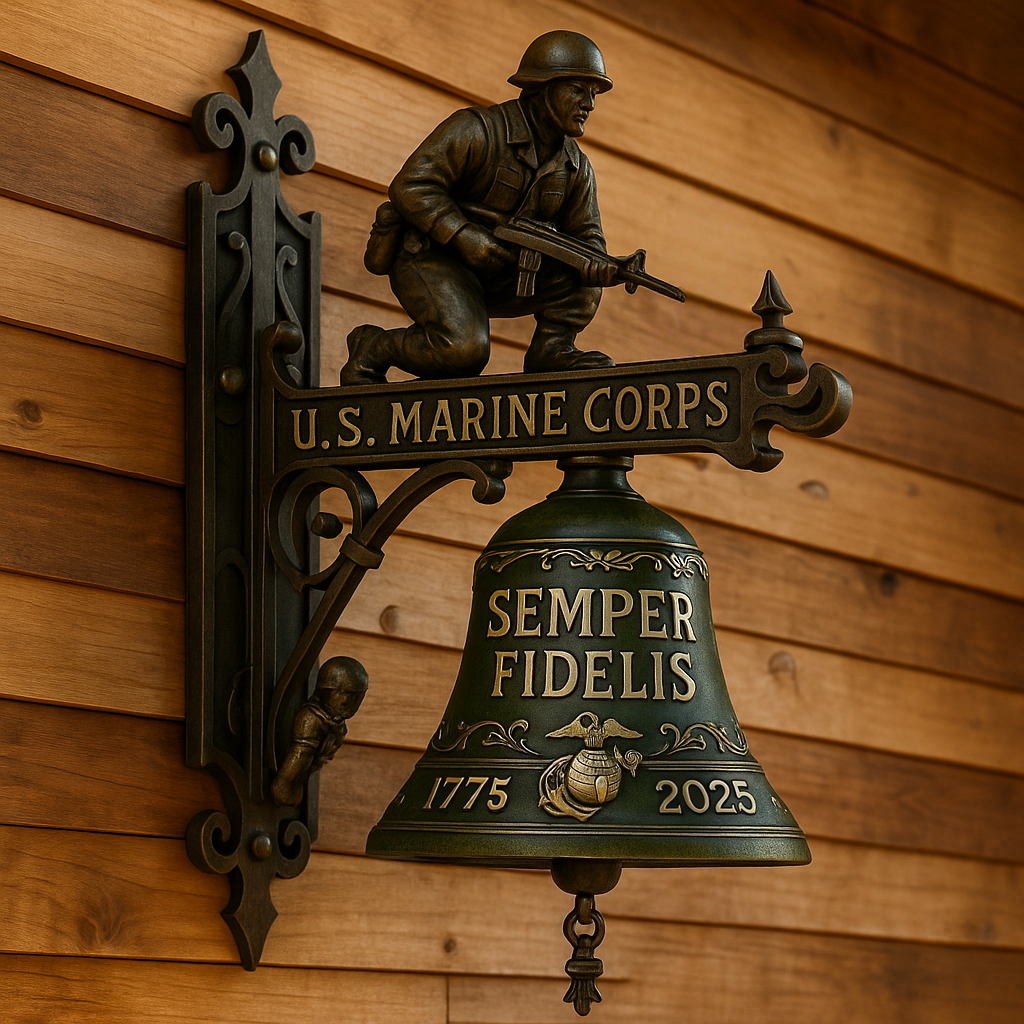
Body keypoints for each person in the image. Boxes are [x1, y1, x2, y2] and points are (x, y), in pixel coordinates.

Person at [341, 30, 620, 385]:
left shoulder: (576, 167)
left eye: (593, 94)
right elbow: (410, 185)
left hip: (506, 270)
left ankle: (552, 348)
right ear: (541, 86)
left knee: (582, 268)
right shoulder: (477, 131)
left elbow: (587, 234)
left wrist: (596, 263)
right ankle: (373, 347)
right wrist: (461, 233)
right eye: (577, 90)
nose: (590, 104)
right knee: (464, 351)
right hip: (435, 258)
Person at [270, 656, 369, 806]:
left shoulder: (336, 723)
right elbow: (299, 757)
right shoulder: (310, 720)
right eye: (347, 695)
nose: (350, 702)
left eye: (357, 697)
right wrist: (284, 788)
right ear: (327, 691)